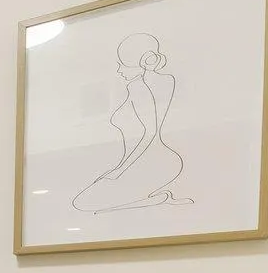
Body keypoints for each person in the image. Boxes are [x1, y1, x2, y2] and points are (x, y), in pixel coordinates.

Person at [72, 33, 190, 212]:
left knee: (82, 203)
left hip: (150, 161)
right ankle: (156, 199)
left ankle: (158, 199)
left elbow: (150, 132)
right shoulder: (165, 81)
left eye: (123, 64)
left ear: (145, 61)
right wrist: (117, 168)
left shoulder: (137, 87)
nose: (119, 70)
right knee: (84, 200)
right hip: (154, 161)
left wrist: (120, 170)